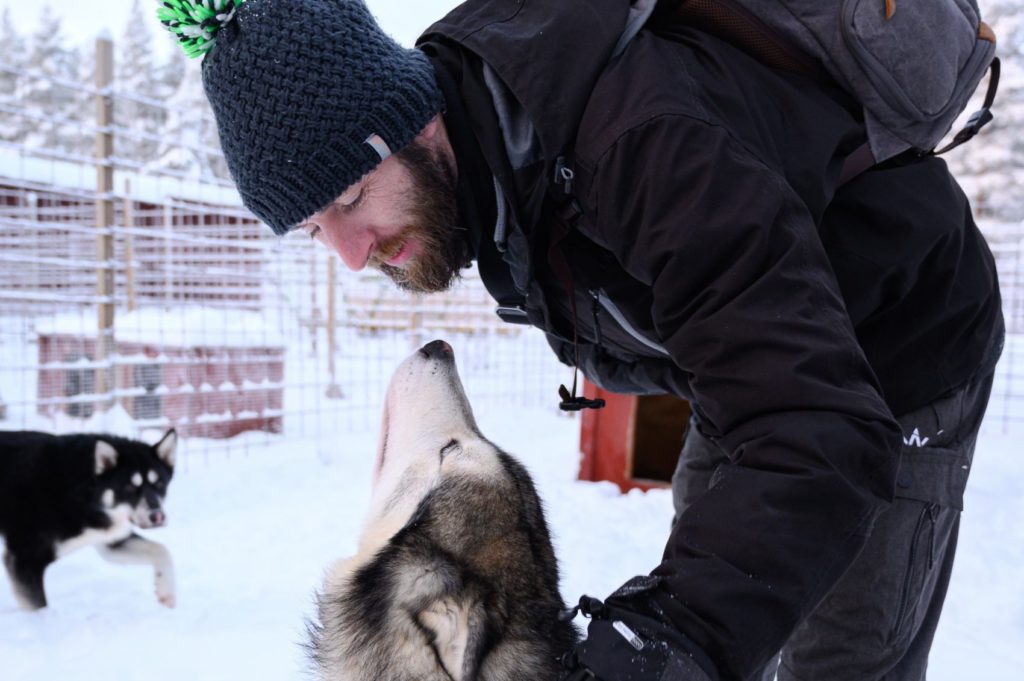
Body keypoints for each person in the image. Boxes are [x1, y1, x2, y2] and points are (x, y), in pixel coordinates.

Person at [164, 0, 1005, 678]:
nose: (351, 254)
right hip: (751, 362)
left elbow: (816, 425)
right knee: (732, 577)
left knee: (830, 647)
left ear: (415, 122)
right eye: (314, 228)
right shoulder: (485, 171)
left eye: (350, 195)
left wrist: (668, 642)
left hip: (903, 345)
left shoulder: (636, 143)